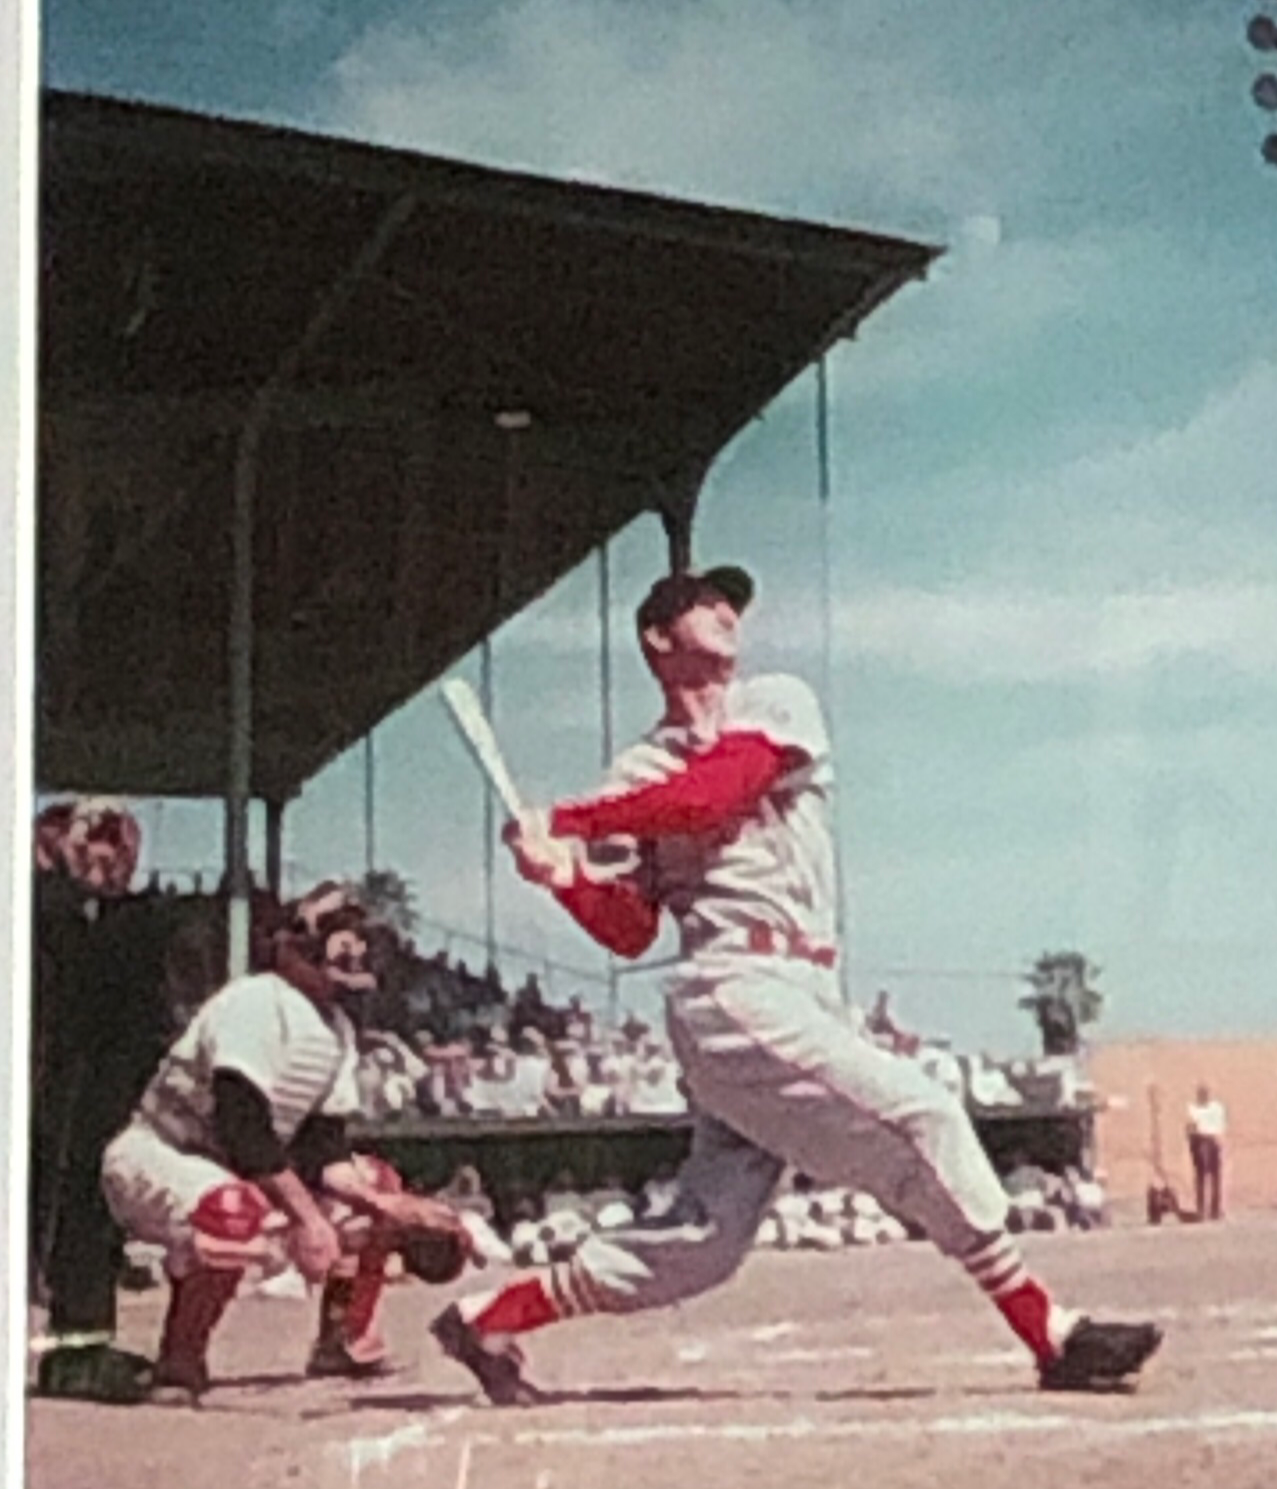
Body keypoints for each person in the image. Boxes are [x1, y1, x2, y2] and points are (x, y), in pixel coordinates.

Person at [429, 563, 1161, 1403]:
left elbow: (715, 795)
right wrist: (559, 877)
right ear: (657, 639)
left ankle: (490, 1317)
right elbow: (630, 929)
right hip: (732, 984)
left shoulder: (775, 702)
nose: (726, 611)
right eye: (703, 602)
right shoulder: (634, 773)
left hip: (803, 987)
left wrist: (570, 823)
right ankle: (1051, 1332)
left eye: (730, 601)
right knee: (924, 1112)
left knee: (704, 1243)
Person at [100, 882, 471, 1398]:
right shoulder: (257, 1001)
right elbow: (242, 1124)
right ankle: (180, 1362)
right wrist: (308, 1220)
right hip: (161, 1155)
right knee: (231, 1210)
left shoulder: (334, 1026)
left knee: (374, 1182)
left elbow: (324, 1150)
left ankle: (341, 1341)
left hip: (235, 1167)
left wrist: (394, 1206)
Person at [31, 800, 177, 1404]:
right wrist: (62, 872)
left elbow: (133, 966)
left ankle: (78, 1350)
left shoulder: (123, 916)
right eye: (90, 836)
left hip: (91, 1076)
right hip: (47, 1067)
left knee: (90, 1208)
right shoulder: (39, 901)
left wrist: (105, 882)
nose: (105, 850)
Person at [1186, 1083, 1227, 1221]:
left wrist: (1220, 1141)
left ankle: (1214, 1209)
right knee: (1201, 1176)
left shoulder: (1216, 1108)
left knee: (1215, 1177)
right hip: (1200, 1140)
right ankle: (1202, 1208)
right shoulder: (1193, 1108)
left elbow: (1220, 1126)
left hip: (1212, 1140)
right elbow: (1190, 1127)